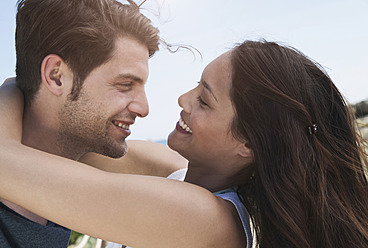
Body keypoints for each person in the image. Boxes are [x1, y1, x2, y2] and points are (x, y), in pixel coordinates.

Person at [1, 40, 368, 248]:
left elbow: (7, 166)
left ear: (248, 144)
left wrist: (19, 83)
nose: (183, 99)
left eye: (204, 100)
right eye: (196, 84)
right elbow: (72, 143)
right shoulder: (179, 175)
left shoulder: (209, 221)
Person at [0, 0, 161, 247]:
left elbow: (176, 166)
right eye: (125, 85)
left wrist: (10, 89)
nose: (144, 108)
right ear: (56, 76)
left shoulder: (70, 177)